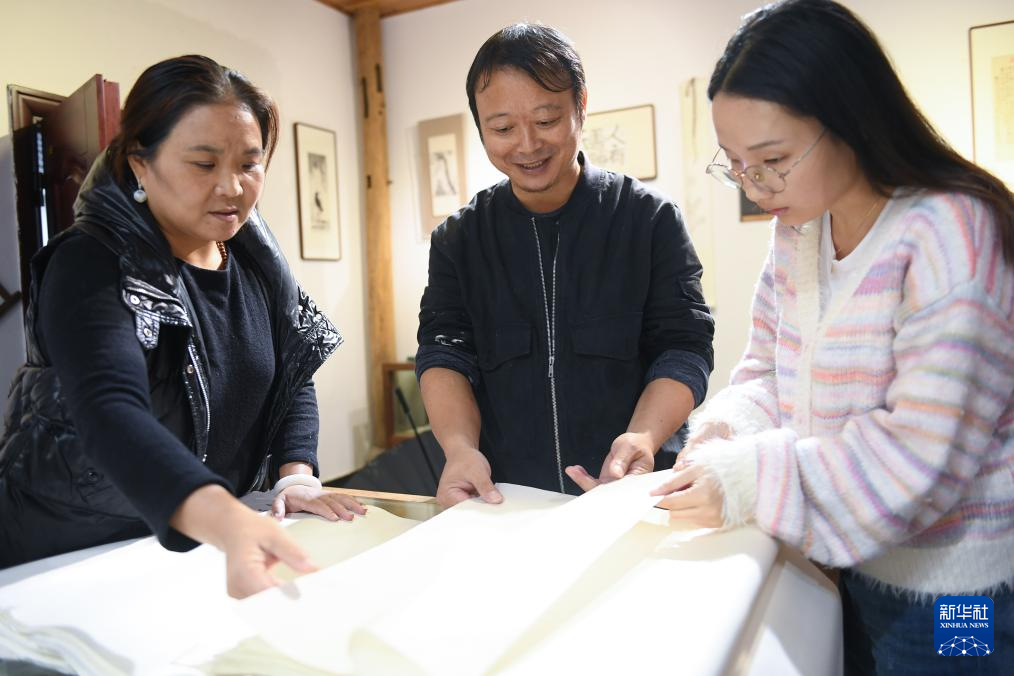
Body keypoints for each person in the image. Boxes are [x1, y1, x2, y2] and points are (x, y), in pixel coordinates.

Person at [616, 1, 1012, 672]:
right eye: (737, 164)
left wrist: (747, 477)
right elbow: (769, 371)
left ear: (850, 118)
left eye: (772, 159)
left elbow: (919, 455)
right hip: (844, 560)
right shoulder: (801, 230)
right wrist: (722, 435)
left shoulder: (950, 232)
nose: (755, 187)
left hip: (956, 591)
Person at [0, 55, 365, 598]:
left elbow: (292, 374)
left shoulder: (255, 261)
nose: (231, 186)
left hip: (197, 549)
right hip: (71, 556)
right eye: (204, 163)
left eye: (249, 164)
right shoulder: (88, 263)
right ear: (140, 164)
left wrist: (295, 477)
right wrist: (225, 519)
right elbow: (110, 411)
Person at [416, 23, 715, 507]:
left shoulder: (648, 220)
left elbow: (685, 346)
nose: (527, 145)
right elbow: (444, 352)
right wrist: (460, 449)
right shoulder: (459, 239)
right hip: (509, 500)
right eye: (502, 129)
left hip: (633, 491)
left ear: (581, 106)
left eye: (546, 119)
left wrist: (642, 437)